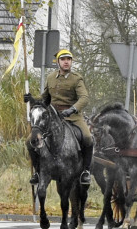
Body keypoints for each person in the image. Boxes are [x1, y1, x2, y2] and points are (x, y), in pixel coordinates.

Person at [24, 48, 93, 187]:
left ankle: (86, 171)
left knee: (88, 138)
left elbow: (84, 98)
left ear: (71, 62)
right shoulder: (50, 77)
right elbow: (45, 99)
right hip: (52, 118)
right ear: (58, 62)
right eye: (63, 59)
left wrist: (72, 109)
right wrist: (32, 99)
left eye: (69, 59)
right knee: (28, 141)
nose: (66, 62)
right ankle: (38, 172)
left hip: (73, 117)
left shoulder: (76, 78)